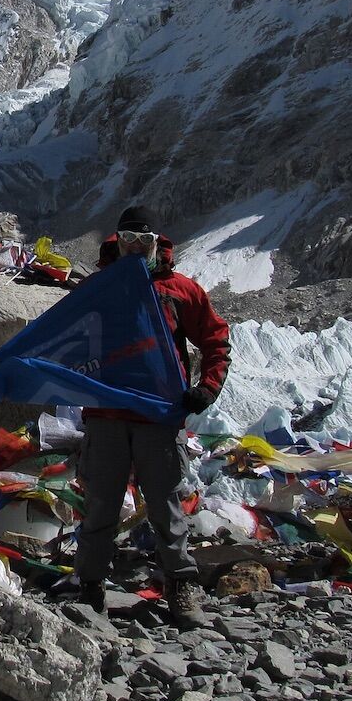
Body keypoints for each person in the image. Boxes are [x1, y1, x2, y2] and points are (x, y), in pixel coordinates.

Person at [75, 205, 230, 627]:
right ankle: (89, 586)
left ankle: (180, 584)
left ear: (156, 243)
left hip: (159, 417)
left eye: (143, 243)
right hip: (107, 414)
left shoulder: (181, 290)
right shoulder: (99, 288)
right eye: (128, 242)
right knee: (101, 504)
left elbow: (216, 339)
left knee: (166, 504)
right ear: (117, 241)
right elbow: (62, 337)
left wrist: (208, 387)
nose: (136, 249)